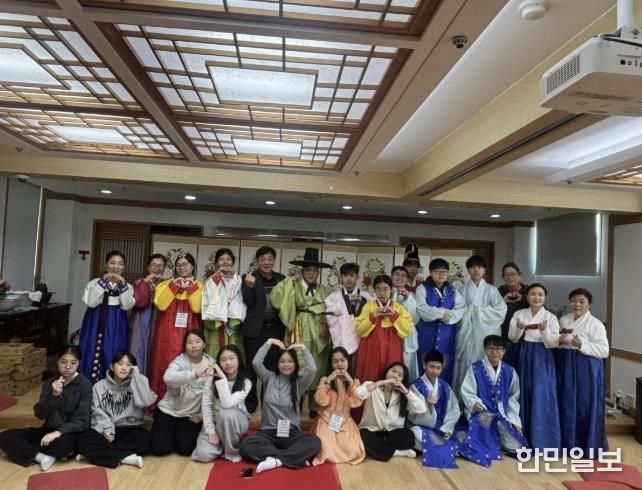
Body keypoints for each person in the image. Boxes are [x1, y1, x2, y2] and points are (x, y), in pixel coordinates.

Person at [0, 346, 91, 471]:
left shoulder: (85, 385)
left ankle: (22, 450)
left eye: (73, 363)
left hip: (69, 433)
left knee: (62, 446)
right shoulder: (49, 383)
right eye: (63, 362)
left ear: (78, 363)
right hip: (48, 429)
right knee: (4, 436)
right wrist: (53, 395)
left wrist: (58, 432)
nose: (68, 366)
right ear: (57, 361)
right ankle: (41, 457)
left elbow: (83, 420)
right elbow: (39, 414)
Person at [239, 338, 321, 473]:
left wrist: (303, 348)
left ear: (295, 364)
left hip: (291, 433)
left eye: (290, 361)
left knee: (314, 442)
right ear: (277, 364)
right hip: (268, 433)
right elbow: (256, 362)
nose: (286, 365)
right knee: (245, 446)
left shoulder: (299, 383)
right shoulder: (269, 378)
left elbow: (312, 369)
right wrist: (269, 342)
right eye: (282, 361)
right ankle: (294, 457)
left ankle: (275, 460)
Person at [270, 247, 331, 416]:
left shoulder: (325, 290)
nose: (312, 273)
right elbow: (276, 297)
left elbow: (333, 307)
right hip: (298, 328)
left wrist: (326, 318)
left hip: (318, 331)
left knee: (318, 367)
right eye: (308, 270)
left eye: (315, 270)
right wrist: (288, 281)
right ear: (302, 271)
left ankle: (314, 406)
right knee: (298, 365)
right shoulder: (293, 286)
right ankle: (295, 404)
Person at [77, 352, 156, 469]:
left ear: (133, 368)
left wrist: (137, 377)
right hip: (107, 427)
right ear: (112, 366)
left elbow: (146, 402)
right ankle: (126, 458)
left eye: (128, 365)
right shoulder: (99, 386)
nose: (124, 368)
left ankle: (95, 454)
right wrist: (107, 429)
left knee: (145, 441)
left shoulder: (139, 382)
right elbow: (96, 411)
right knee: (83, 440)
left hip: (131, 428)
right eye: (120, 364)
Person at [459, 335, 528, 467]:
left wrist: (514, 420)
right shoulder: (475, 369)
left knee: (516, 446)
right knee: (482, 446)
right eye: (491, 348)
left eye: (498, 349)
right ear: (485, 350)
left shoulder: (510, 371)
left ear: (504, 351)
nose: (495, 352)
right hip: (482, 413)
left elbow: (513, 398)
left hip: (501, 415)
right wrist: (474, 403)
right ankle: (488, 439)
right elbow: (468, 391)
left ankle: (495, 438)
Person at [508, 283, 561, 450]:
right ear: (527, 296)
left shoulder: (551, 317)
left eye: (540, 294)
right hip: (523, 354)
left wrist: (544, 331)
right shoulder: (519, 314)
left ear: (545, 298)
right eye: (532, 294)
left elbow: (553, 343)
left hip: (542, 356)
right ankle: (522, 437)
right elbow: (513, 338)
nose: (536, 297)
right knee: (523, 391)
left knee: (542, 393)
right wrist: (519, 329)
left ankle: (543, 440)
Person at [557, 288, 609, 455]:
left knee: (585, 405)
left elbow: (604, 351)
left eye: (582, 301)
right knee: (566, 402)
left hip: (587, 367)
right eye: (574, 301)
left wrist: (580, 344)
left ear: (589, 304)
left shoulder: (595, 324)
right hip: (565, 364)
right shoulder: (564, 320)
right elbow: (557, 342)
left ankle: (587, 445)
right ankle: (567, 444)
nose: (577, 304)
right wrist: (560, 341)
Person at [150, 329, 214, 456]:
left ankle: (174, 435)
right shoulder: (179, 361)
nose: (194, 345)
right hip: (169, 411)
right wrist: (194, 374)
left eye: (197, 341)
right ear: (185, 346)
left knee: (185, 449)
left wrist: (201, 415)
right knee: (159, 449)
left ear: (204, 344)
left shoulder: (210, 365)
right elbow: (167, 378)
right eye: (189, 342)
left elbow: (211, 396)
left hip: (190, 416)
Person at [150, 253, 203, 401]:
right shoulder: (165, 285)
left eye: (185, 264)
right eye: (178, 265)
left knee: (190, 362)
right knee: (164, 361)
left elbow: (197, 308)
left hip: (191, 329)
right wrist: (174, 286)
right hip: (167, 330)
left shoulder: (200, 286)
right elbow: (161, 305)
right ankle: (162, 400)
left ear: (193, 267)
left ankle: (189, 401)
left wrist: (191, 288)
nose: (181, 267)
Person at [241, 246, 286, 414]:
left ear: (274, 260)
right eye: (263, 259)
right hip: (254, 331)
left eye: (270, 259)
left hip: (275, 330)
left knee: (272, 368)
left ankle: (268, 402)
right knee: (252, 367)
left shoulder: (281, 279)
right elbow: (248, 301)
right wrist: (249, 287)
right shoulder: (248, 277)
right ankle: (250, 404)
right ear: (257, 261)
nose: (267, 262)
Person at [452, 255, 506, 394]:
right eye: (472, 267)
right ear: (468, 270)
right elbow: (456, 313)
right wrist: (470, 313)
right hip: (467, 337)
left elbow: (501, 312)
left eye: (479, 267)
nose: (476, 269)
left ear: (484, 270)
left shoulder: (492, 290)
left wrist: (477, 312)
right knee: (466, 366)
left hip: (485, 335)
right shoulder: (461, 290)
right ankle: (464, 400)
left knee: (485, 365)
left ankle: (487, 398)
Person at [79, 251, 135, 383]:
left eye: (120, 264)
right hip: (95, 319)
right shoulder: (94, 283)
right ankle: (88, 384)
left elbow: (127, 306)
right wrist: (103, 282)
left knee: (114, 349)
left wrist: (122, 285)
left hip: (117, 321)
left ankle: (112, 384)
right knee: (91, 349)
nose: (116, 267)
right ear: (106, 265)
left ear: (124, 267)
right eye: (112, 263)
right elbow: (91, 302)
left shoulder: (128, 286)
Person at [192, 344, 251, 463]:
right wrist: (211, 431)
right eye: (223, 360)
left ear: (239, 360)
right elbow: (206, 404)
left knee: (225, 413)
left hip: (236, 422)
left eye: (231, 358)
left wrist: (223, 379)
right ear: (218, 362)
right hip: (215, 423)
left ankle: (231, 451)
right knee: (203, 455)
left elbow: (226, 403)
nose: (227, 363)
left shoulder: (246, 382)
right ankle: (222, 444)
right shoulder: (211, 378)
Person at [356, 362, 426, 461]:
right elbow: (358, 393)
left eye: (400, 375)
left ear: (403, 380)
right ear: (386, 372)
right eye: (393, 371)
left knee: (409, 436)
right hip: (372, 432)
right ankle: (397, 452)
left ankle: (378, 449)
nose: (395, 375)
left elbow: (421, 408)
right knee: (362, 435)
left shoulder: (403, 395)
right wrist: (381, 383)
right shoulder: (372, 386)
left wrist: (406, 391)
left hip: (392, 434)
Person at [415, 258, 466, 386]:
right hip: (426, 337)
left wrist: (449, 316)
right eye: (437, 271)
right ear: (430, 272)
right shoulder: (422, 288)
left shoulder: (452, 290)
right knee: (423, 367)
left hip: (446, 338)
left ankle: (442, 396)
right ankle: (421, 396)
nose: (441, 274)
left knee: (444, 369)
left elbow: (461, 308)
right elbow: (421, 308)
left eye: (444, 272)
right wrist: (440, 314)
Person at [310, 347, 365, 466]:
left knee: (352, 449)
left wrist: (350, 382)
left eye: (342, 360)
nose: (339, 364)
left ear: (348, 361)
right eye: (335, 361)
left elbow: (355, 403)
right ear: (331, 364)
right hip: (326, 421)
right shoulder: (325, 380)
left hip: (345, 422)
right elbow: (322, 401)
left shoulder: (354, 381)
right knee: (325, 448)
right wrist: (329, 380)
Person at [354, 275, 413, 385]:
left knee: (391, 375)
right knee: (369, 376)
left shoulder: (398, 308)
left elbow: (407, 330)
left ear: (391, 290)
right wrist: (372, 316)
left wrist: (394, 316)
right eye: (378, 289)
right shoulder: (369, 306)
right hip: (370, 347)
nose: (382, 293)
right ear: (374, 290)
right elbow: (359, 330)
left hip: (392, 347)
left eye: (385, 289)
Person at [408, 350, 461, 468]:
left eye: (438, 368)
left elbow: (454, 411)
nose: (435, 371)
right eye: (431, 367)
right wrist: (429, 406)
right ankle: (445, 448)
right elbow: (413, 417)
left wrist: (446, 429)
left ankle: (442, 446)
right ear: (424, 365)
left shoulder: (445, 386)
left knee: (463, 437)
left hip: (441, 427)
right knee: (417, 436)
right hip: (421, 427)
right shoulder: (415, 387)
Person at [202, 248, 246, 359]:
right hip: (216, 322)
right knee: (215, 351)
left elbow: (240, 299)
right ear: (216, 262)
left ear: (233, 262)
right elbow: (207, 299)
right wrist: (215, 278)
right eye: (221, 259)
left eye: (228, 259)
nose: (225, 262)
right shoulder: (210, 280)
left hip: (232, 321)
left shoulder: (238, 279)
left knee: (234, 350)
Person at [324, 263, 370, 368]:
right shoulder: (333, 297)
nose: (348, 279)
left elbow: (372, 312)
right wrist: (343, 303)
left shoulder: (365, 296)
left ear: (357, 277)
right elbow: (329, 317)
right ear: (341, 278)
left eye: (352, 275)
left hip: (360, 338)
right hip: (341, 338)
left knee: (358, 367)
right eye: (345, 275)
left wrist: (363, 302)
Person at [129, 253, 166, 375]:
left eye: (160, 265)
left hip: (160, 317)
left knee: (157, 347)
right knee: (139, 345)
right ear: (148, 267)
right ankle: (137, 377)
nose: (157, 268)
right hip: (142, 317)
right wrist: (146, 281)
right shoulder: (140, 282)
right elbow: (139, 301)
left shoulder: (166, 284)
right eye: (154, 265)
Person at [390, 266, 420, 382]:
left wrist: (407, 299)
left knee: (407, 365)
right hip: (390, 335)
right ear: (391, 277)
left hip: (407, 338)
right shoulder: (385, 292)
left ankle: (406, 388)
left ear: (406, 279)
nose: (400, 278)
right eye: (397, 274)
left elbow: (415, 319)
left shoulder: (412, 296)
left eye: (403, 276)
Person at [497, 262, 529, 368]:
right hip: (505, 337)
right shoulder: (499, 291)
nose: (510, 277)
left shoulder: (529, 291)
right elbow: (491, 311)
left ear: (519, 275)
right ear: (503, 277)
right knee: (506, 368)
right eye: (506, 275)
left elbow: (541, 309)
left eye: (513, 274)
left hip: (525, 338)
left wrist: (523, 299)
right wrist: (503, 301)